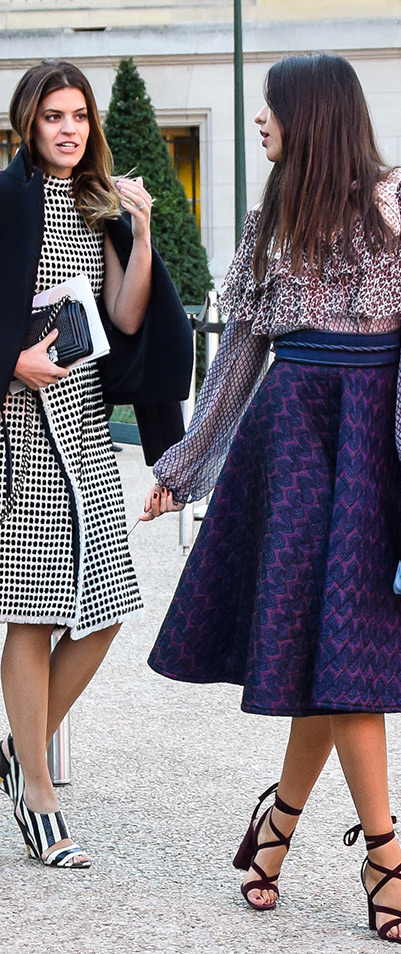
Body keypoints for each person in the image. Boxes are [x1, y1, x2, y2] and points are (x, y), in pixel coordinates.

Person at [143, 53, 401, 943]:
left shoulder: (398, 197)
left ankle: (285, 831)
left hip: (374, 441)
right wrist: (186, 465)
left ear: (312, 114)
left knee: (346, 662)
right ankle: (381, 862)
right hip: (291, 439)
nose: (260, 123)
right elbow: (239, 356)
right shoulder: (271, 217)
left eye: (270, 110)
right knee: (335, 663)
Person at [0, 59, 191, 869]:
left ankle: (19, 753)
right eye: (53, 117)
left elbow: (126, 316)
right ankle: (38, 795)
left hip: (81, 425)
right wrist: (13, 362)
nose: (69, 129)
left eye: (79, 115)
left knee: (106, 603)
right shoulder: (6, 201)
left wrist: (143, 231)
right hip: (18, 420)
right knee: (34, 608)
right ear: (27, 123)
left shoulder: (99, 201)